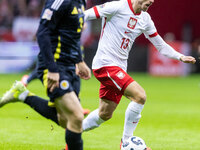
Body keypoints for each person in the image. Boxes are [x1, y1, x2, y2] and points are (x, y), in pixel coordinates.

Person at [82, 0, 196, 149]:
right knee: (140, 96)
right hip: (105, 65)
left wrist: (180, 56)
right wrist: (72, 22)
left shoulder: (145, 19)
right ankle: (126, 142)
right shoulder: (116, 6)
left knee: (104, 113)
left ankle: (73, 130)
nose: (152, 1)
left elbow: (160, 44)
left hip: (119, 69)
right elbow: (84, 15)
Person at [0, 0, 91, 150]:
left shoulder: (81, 2)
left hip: (70, 65)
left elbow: (73, 35)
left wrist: (79, 61)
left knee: (65, 121)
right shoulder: (60, 1)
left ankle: (22, 95)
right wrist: (52, 69)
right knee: (76, 117)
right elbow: (42, 32)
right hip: (55, 65)